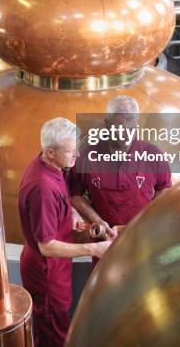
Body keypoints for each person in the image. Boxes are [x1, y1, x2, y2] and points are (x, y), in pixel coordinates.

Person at [19, 117, 111, 347]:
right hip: (46, 271)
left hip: (56, 268)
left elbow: (61, 200)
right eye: (71, 151)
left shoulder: (53, 166)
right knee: (52, 334)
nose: (77, 156)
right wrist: (94, 248)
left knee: (55, 323)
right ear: (50, 152)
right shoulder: (42, 188)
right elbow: (46, 246)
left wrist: (71, 215)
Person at [69, 95, 172, 241]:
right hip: (104, 240)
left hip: (144, 238)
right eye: (119, 129)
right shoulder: (86, 157)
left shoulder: (153, 155)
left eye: (131, 129)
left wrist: (144, 222)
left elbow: (164, 190)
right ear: (107, 124)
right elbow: (75, 195)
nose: (126, 136)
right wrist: (98, 221)